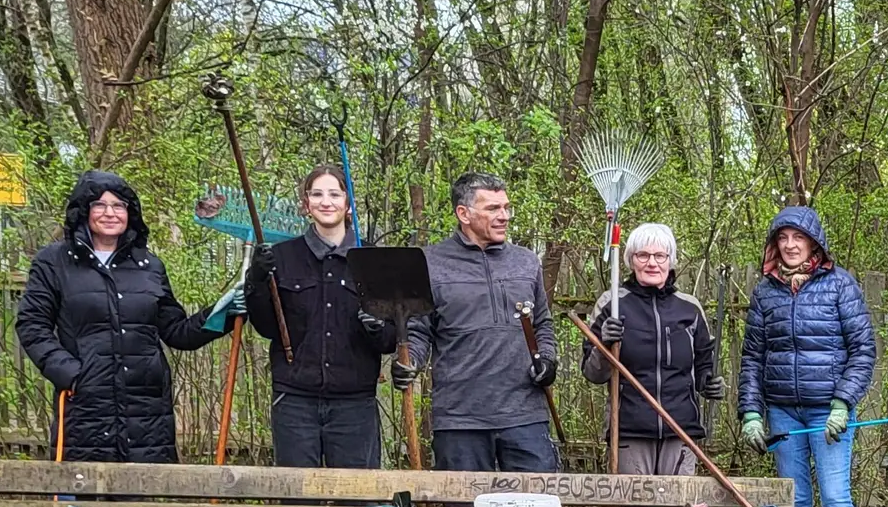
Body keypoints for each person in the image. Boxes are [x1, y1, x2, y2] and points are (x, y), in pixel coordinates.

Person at [17, 170, 243, 463]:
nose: (110, 213)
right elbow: (32, 325)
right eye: (99, 205)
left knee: (146, 500)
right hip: (86, 408)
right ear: (83, 210)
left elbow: (177, 331)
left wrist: (224, 312)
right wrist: (71, 374)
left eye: (119, 205)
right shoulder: (55, 262)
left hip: (148, 412)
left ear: (130, 213)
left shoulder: (149, 266)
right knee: (87, 496)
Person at [393, 172, 559, 473]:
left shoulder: (526, 261)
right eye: (493, 209)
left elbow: (543, 325)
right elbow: (418, 331)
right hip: (460, 420)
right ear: (463, 214)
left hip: (525, 417)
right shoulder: (430, 262)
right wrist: (409, 364)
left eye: (506, 207)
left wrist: (547, 360)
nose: (504, 216)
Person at [244, 166, 396, 476]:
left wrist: (377, 326)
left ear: (348, 204)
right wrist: (256, 280)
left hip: (355, 404)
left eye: (335, 194)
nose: (326, 202)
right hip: (295, 401)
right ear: (306, 204)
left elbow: (391, 339)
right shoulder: (281, 257)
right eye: (317, 194)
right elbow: (266, 326)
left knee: (358, 500)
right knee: (296, 498)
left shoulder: (373, 260)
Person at [738, 205, 876, 507]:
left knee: (835, 501)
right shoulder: (765, 292)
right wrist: (750, 414)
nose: (790, 245)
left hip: (828, 411)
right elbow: (752, 359)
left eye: (798, 237)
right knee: (794, 505)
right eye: (783, 237)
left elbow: (863, 349)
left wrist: (843, 403)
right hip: (782, 411)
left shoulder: (840, 285)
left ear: (814, 242)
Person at [581, 223, 725, 475]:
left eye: (660, 256)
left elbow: (704, 364)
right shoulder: (612, 304)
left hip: (681, 430)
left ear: (670, 261)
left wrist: (709, 382)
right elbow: (593, 374)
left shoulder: (689, 308)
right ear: (630, 260)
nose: (652, 263)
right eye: (643, 255)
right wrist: (604, 344)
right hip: (629, 430)